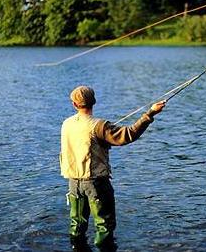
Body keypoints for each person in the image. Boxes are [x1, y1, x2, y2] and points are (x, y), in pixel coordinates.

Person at [59, 86, 166, 252]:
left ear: (74, 104)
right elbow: (129, 134)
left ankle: (76, 248)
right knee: (104, 225)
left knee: (77, 224)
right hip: (96, 184)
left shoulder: (66, 124)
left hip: (73, 183)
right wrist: (150, 114)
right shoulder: (99, 126)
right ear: (94, 102)